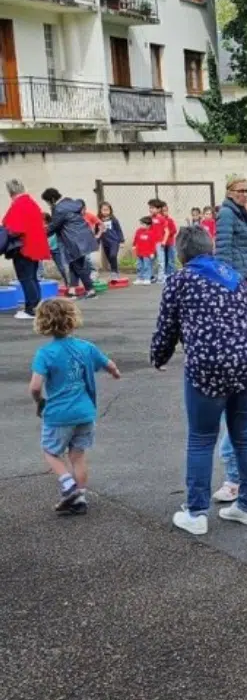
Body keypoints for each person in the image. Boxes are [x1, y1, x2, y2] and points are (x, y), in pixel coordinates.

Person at [151, 226, 247, 536]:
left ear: (180, 254)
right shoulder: (235, 276)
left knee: (202, 438)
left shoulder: (179, 280)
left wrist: (159, 357)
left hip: (208, 368)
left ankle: (196, 512)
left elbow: (167, 328)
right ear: (211, 247)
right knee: (244, 435)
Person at [29, 298, 121, 513]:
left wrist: (39, 401)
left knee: (51, 452)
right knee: (78, 456)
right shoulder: (86, 347)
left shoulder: (45, 353)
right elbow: (110, 365)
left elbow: (35, 386)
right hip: (86, 412)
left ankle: (68, 484)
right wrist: (115, 373)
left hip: (58, 414)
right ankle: (80, 499)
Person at [2, 179, 51, 319]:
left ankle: (31, 309)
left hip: (24, 248)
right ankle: (36, 307)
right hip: (35, 247)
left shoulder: (19, 205)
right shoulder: (31, 203)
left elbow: (15, 228)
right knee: (32, 278)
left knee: (25, 279)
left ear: (10, 192)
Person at [42, 188, 98, 300]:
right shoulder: (70, 203)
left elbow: (54, 226)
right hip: (83, 236)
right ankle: (72, 290)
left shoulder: (59, 209)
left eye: (47, 201)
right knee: (74, 263)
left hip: (73, 239)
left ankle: (90, 290)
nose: (48, 204)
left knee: (79, 265)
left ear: (52, 199)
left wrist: (39, 234)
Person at [215, 177, 247, 281]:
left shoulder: (241, 212)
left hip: (243, 272)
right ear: (229, 193)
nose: (245, 194)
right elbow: (223, 247)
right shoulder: (227, 212)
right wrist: (225, 276)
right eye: (240, 191)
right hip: (234, 273)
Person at [97, 202, 125, 281]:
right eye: (104, 210)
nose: (105, 211)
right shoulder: (98, 220)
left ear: (110, 210)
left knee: (113, 255)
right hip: (105, 242)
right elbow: (97, 232)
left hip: (114, 241)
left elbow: (119, 230)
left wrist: (121, 241)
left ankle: (114, 273)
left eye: (107, 210)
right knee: (109, 258)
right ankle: (114, 269)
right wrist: (97, 242)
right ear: (100, 210)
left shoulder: (113, 220)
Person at [146, 199, 168, 282]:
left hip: (159, 243)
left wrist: (164, 241)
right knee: (151, 260)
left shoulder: (162, 219)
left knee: (160, 261)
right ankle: (151, 276)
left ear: (158, 209)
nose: (150, 209)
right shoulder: (149, 219)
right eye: (150, 208)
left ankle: (161, 277)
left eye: (152, 208)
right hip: (151, 243)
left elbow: (167, 231)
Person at [132, 216, 157, 285]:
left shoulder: (151, 233)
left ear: (148, 225)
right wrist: (134, 245)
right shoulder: (138, 231)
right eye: (141, 224)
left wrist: (152, 253)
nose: (141, 225)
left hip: (147, 253)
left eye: (143, 224)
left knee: (147, 266)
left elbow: (153, 244)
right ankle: (140, 278)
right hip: (139, 252)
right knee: (139, 266)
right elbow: (135, 239)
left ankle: (147, 278)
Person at [160, 203, 178, 274]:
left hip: (170, 242)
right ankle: (165, 272)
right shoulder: (160, 221)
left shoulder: (170, 220)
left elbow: (174, 230)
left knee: (171, 258)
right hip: (162, 243)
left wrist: (167, 234)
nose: (164, 213)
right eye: (162, 211)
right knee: (164, 258)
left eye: (166, 211)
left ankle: (171, 272)